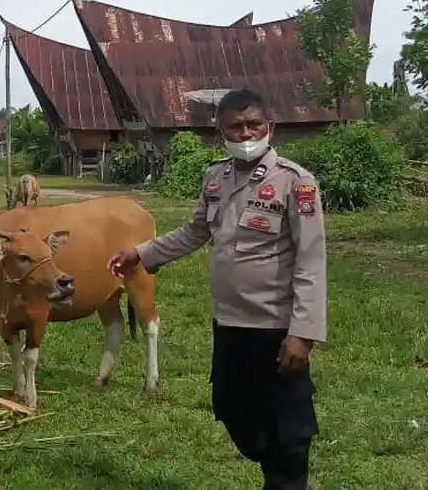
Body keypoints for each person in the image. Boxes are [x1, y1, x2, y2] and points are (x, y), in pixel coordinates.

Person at [107, 89, 327, 490]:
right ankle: (275, 464)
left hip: (275, 326)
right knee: (231, 406)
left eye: (254, 125)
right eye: (235, 127)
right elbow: (194, 232)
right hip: (228, 323)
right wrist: (140, 253)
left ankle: (287, 479)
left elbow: (311, 260)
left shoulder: (296, 183)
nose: (246, 134)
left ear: (270, 127)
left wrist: (303, 332)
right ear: (221, 133)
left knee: (286, 427)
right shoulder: (216, 178)